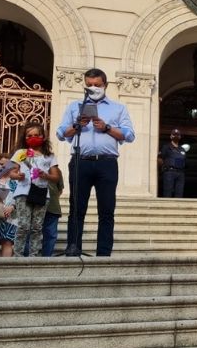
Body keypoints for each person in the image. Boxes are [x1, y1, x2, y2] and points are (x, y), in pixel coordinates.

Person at [56, 68, 136, 257]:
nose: (93, 88)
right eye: (89, 85)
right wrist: (77, 125)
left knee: (106, 210)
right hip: (80, 161)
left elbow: (129, 135)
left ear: (105, 85)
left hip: (106, 163)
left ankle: (104, 254)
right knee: (76, 208)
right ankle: (74, 248)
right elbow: (60, 133)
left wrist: (107, 127)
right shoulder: (75, 106)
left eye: (97, 85)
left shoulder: (118, 108)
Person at [11, 123, 61, 257]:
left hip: (42, 193)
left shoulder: (49, 156)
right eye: (29, 136)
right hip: (23, 193)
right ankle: (18, 254)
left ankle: (34, 255)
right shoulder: (20, 153)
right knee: (23, 225)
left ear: (43, 137)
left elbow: (56, 177)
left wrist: (46, 175)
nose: (33, 138)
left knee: (37, 227)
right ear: (25, 138)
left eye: (36, 135)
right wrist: (18, 175)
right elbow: (11, 172)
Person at [0, 154, 18, 257]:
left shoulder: (15, 181)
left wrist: (12, 207)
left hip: (10, 216)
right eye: (1, 164)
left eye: (7, 164)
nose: (3, 167)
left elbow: (20, 197)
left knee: (7, 241)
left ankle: (5, 268)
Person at [158, 128, 187, 198]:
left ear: (180, 137)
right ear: (171, 136)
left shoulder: (182, 149)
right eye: (174, 135)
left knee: (179, 193)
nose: (176, 136)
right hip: (169, 172)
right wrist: (162, 169)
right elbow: (159, 159)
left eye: (177, 135)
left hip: (180, 173)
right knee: (168, 192)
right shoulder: (166, 147)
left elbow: (185, 161)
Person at [40, 175, 64, 257]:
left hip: (53, 207)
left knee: (50, 235)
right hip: (35, 206)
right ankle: (27, 259)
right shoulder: (33, 166)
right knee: (30, 233)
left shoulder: (56, 171)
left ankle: (46, 258)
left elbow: (60, 190)